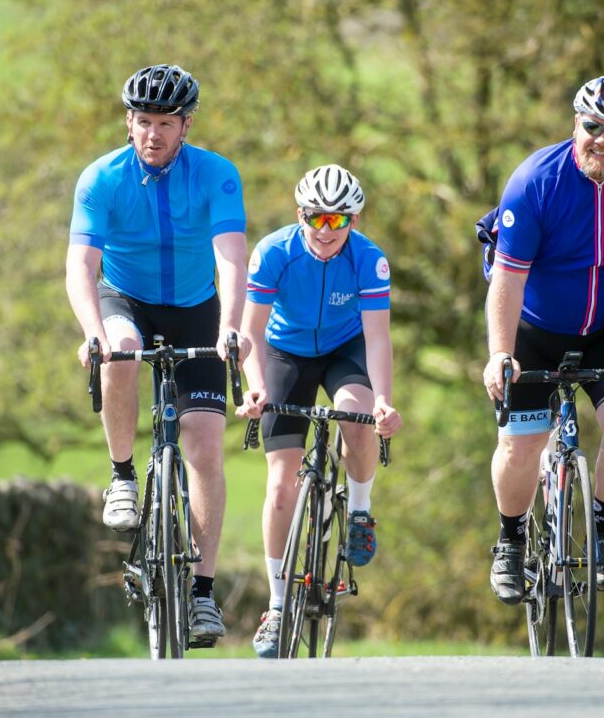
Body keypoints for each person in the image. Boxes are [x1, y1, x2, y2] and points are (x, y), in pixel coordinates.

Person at [65, 64, 248, 646]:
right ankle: (121, 476)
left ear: (185, 125)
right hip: (124, 299)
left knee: (203, 443)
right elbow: (81, 267)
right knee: (121, 350)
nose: (152, 134)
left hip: (197, 305)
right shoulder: (101, 178)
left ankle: (201, 595)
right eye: (143, 121)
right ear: (128, 121)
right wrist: (92, 330)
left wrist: (231, 327)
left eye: (165, 123)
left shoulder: (217, 175)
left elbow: (231, 259)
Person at [481, 75, 604, 604]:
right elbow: (507, 279)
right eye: (592, 126)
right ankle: (510, 542)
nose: (601, 139)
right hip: (533, 328)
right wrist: (500, 352)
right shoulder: (534, 181)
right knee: (519, 446)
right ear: (575, 122)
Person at [236, 164, 403, 658]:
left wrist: (384, 400)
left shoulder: (369, 261)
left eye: (339, 221)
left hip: (344, 351)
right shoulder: (273, 253)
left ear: (354, 221)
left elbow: (377, 339)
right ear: (300, 215)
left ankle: (359, 510)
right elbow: (250, 335)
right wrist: (256, 388)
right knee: (281, 484)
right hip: (284, 353)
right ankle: (278, 606)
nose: (326, 231)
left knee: (355, 416)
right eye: (316, 219)